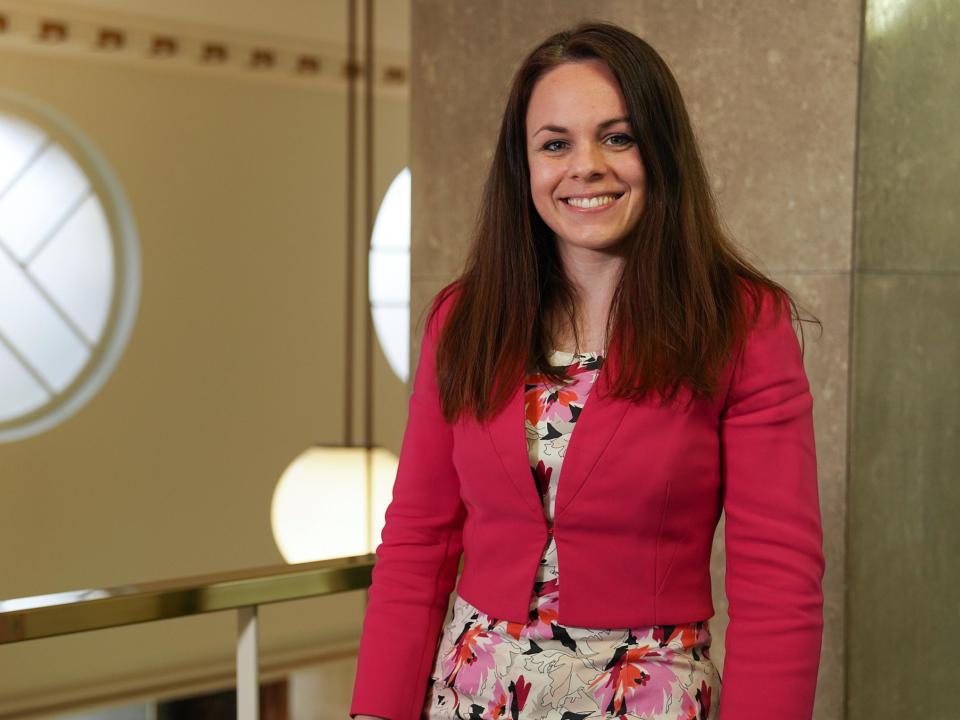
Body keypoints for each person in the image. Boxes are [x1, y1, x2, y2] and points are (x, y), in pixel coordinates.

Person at [351, 19, 825, 720]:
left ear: (659, 150)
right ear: (526, 166)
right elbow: (418, 541)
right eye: (555, 144)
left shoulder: (741, 322)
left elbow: (779, 582)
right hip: (468, 698)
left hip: (646, 700)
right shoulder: (463, 318)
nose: (586, 166)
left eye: (618, 136)